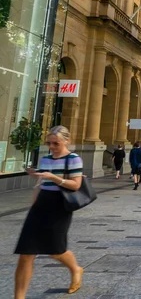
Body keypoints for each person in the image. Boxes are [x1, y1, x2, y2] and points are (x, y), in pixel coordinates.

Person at [15, 126, 84, 298]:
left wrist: (54, 177)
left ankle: (75, 269)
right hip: (41, 205)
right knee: (26, 254)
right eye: (49, 143)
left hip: (60, 206)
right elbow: (41, 184)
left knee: (55, 250)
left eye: (56, 143)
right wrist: (34, 203)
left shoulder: (73, 159)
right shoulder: (45, 159)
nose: (52, 146)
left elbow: (76, 185)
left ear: (66, 141)